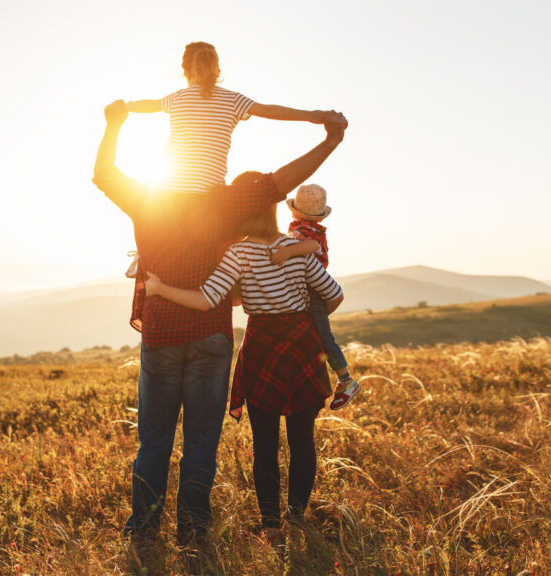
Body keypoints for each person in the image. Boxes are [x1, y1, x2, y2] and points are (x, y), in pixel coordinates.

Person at [92, 99, 347, 561]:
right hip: (211, 338)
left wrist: (114, 126)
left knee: (154, 441)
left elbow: (104, 173)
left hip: (161, 337)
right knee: (201, 443)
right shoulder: (227, 201)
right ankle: (193, 532)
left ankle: (144, 532)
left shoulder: (147, 198)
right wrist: (329, 139)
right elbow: (281, 182)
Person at [143, 200, 344, 542]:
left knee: (265, 445)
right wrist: (304, 316)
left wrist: (160, 289)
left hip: (263, 347)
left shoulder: (238, 253)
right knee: (302, 440)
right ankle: (295, 519)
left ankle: (270, 527)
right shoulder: (295, 248)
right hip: (302, 347)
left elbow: (208, 299)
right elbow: (334, 295)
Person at [125, 41, 327, 195]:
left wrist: (125, 106)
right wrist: (311, 115)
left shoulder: (177, 98)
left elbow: (149, 105)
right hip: (209, 193)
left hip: (169, 190)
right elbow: (270, 111)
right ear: (217, 70)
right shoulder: (233, 100)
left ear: (185, 71)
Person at [269, 184, 362, 409]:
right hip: (309, 287)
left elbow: (310, 246)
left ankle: (346, 380)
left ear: (294, 210)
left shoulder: (305, 230)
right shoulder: (307, 227)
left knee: (323, 336)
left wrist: (289, 251)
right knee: (314, 335)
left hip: (312, 288)